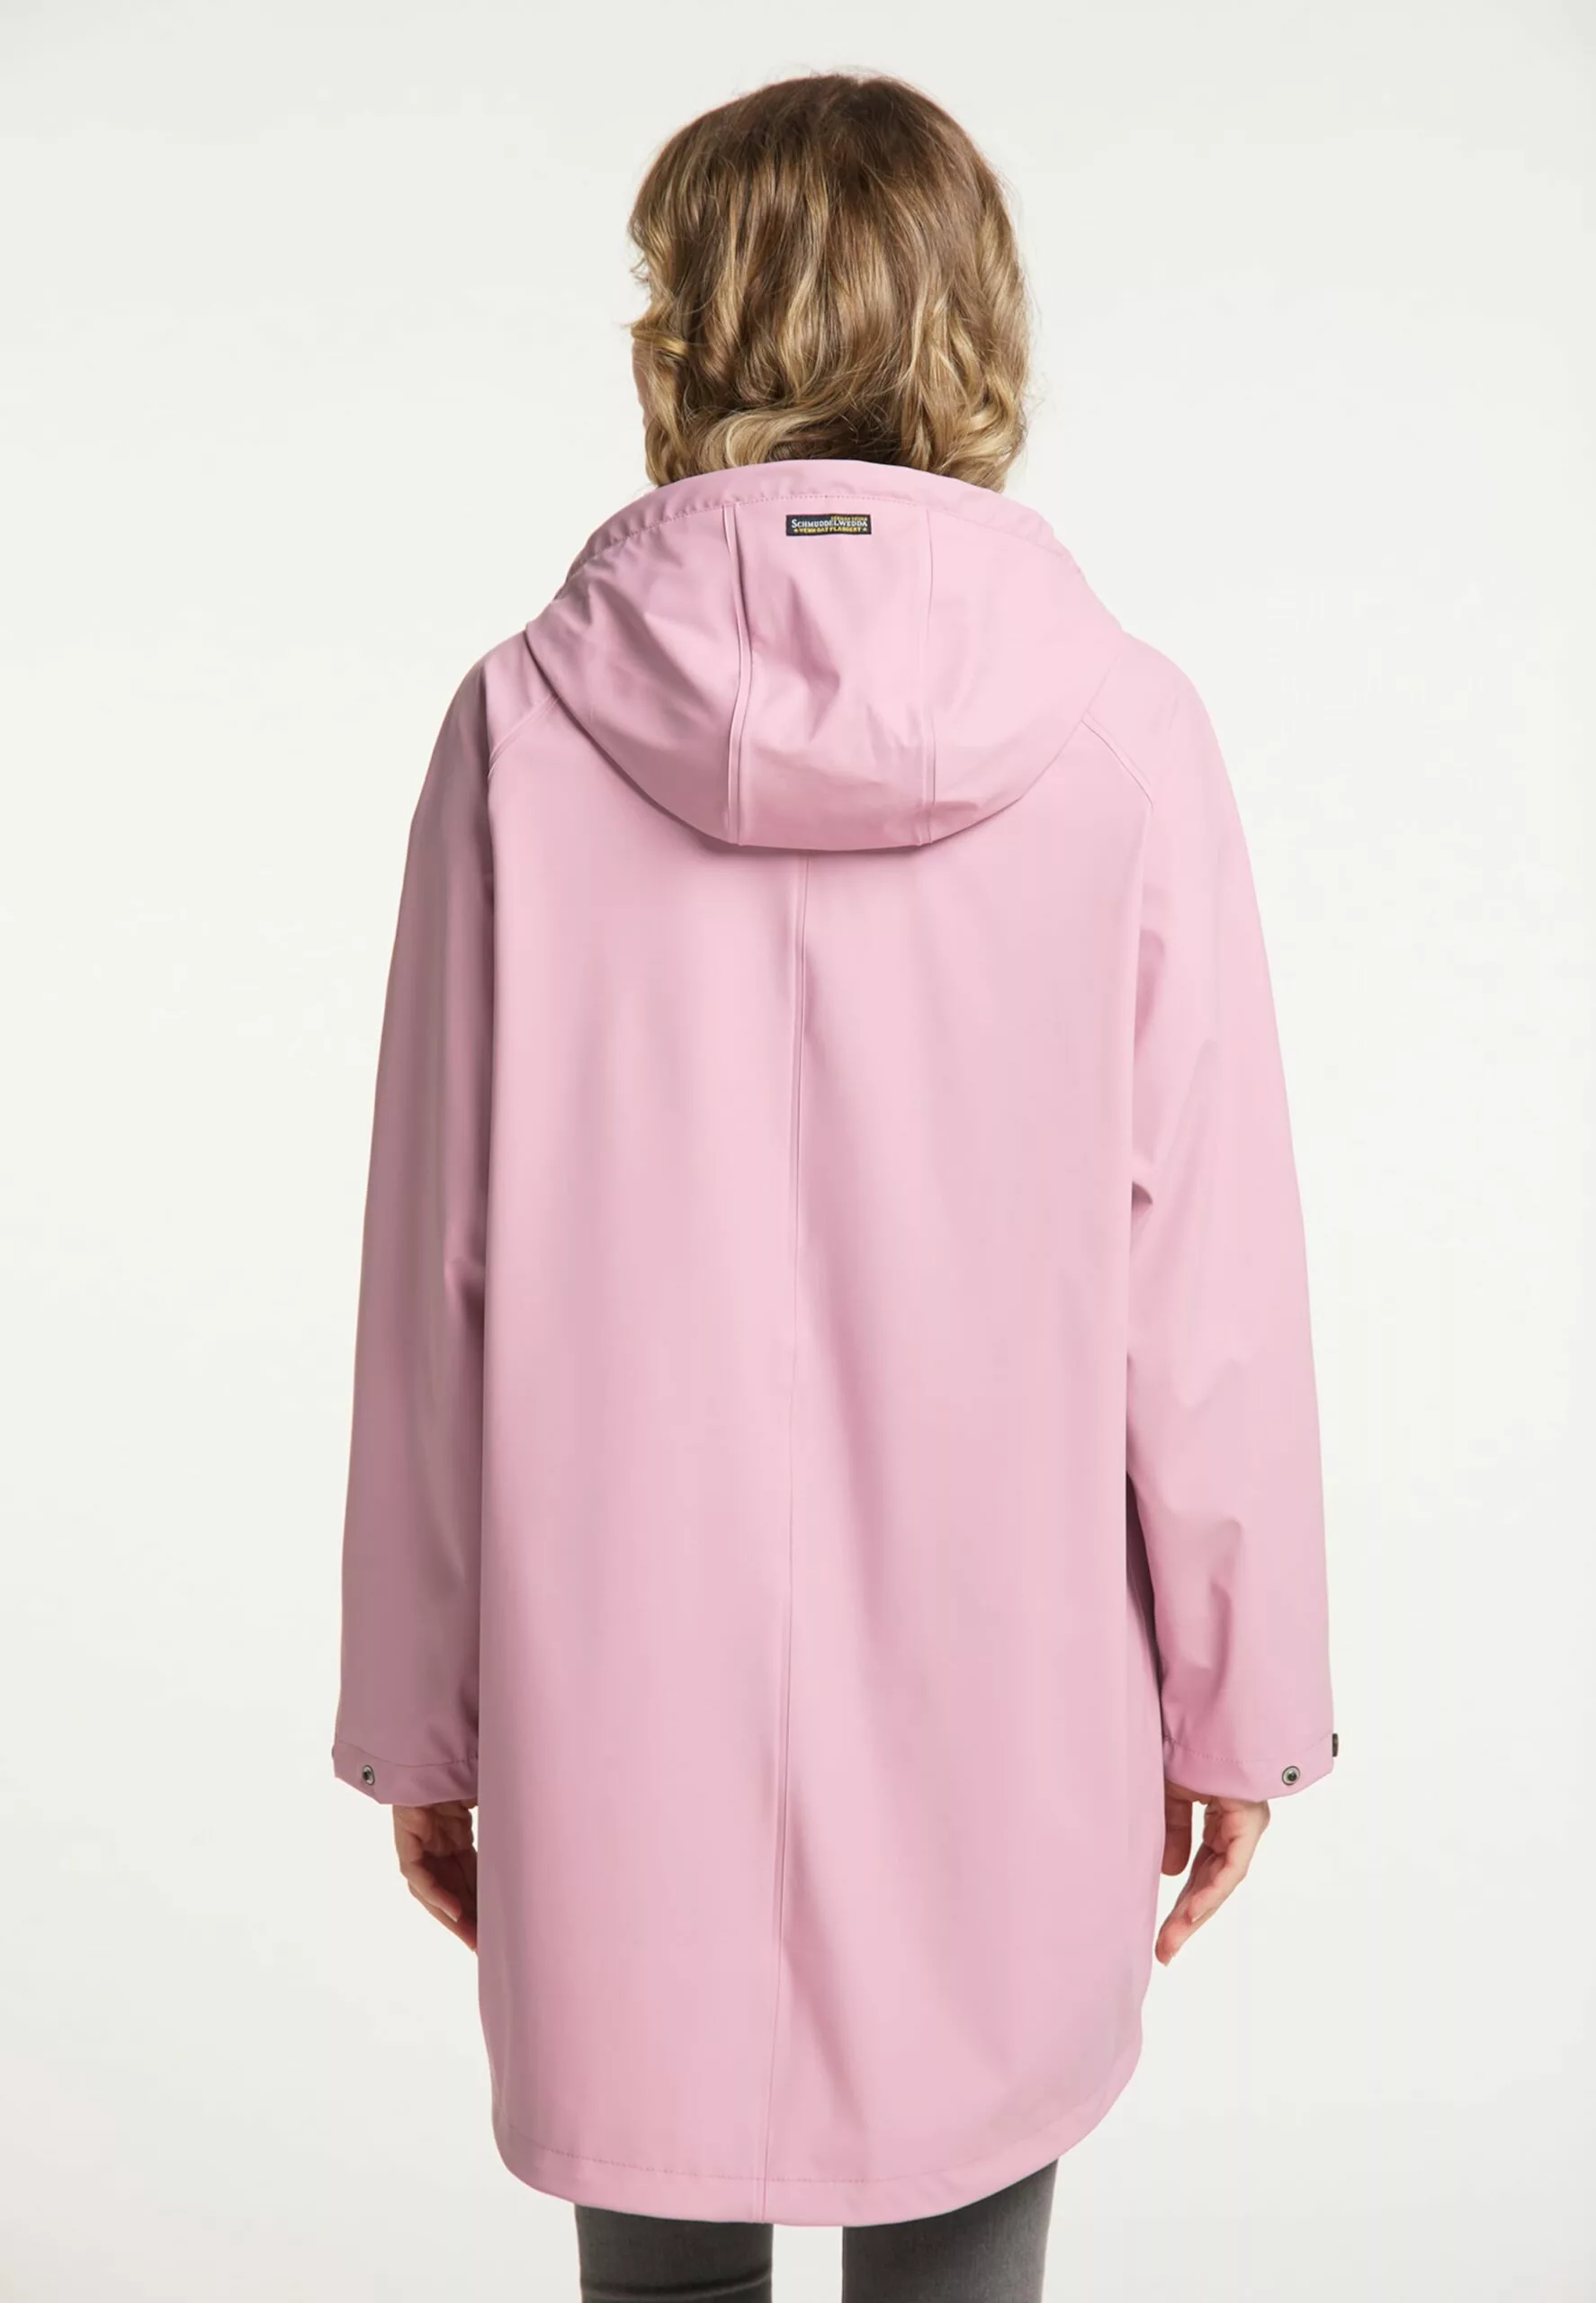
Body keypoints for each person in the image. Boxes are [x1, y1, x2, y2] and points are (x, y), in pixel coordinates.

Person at [331, 69, 1336, 2303]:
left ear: (683, 330)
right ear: (974, 324)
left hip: (618, 1692)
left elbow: (433, 1279)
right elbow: (1205, 1288)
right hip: (1008, 1698)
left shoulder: (521, 729)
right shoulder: (1122, 732)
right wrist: (1235, 1697)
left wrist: (423, 1706)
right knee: (964, 2240)